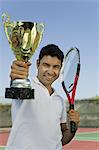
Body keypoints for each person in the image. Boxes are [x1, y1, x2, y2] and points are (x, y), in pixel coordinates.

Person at [6, 44, 80, 150]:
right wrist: (16, 77)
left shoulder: (60, 101)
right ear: (37, 64)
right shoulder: (28, 85)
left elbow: (62, 139)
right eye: (46, 65)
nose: (50, 71)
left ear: (60, 69)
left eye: (55, 67)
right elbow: (17, 89)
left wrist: (74, 128)